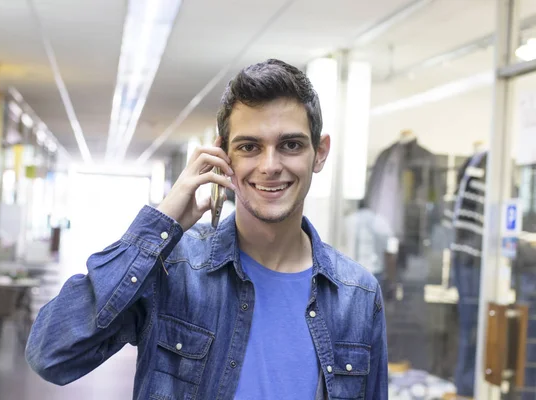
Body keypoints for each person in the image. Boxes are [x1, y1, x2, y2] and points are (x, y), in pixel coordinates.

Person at [26, 59, 388, 400]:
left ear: (320, 153)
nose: (270, 165)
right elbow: (51, 353)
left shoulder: (356, 295)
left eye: (290, 145)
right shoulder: (172, 269)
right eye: (249, 147)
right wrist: (159, 225)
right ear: (222, 156)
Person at [342, 199, 398, 296]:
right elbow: (390, 252)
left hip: (350, 271)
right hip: (374, 272)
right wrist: (391, 279)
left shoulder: (349, 220)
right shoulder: (380, 222)